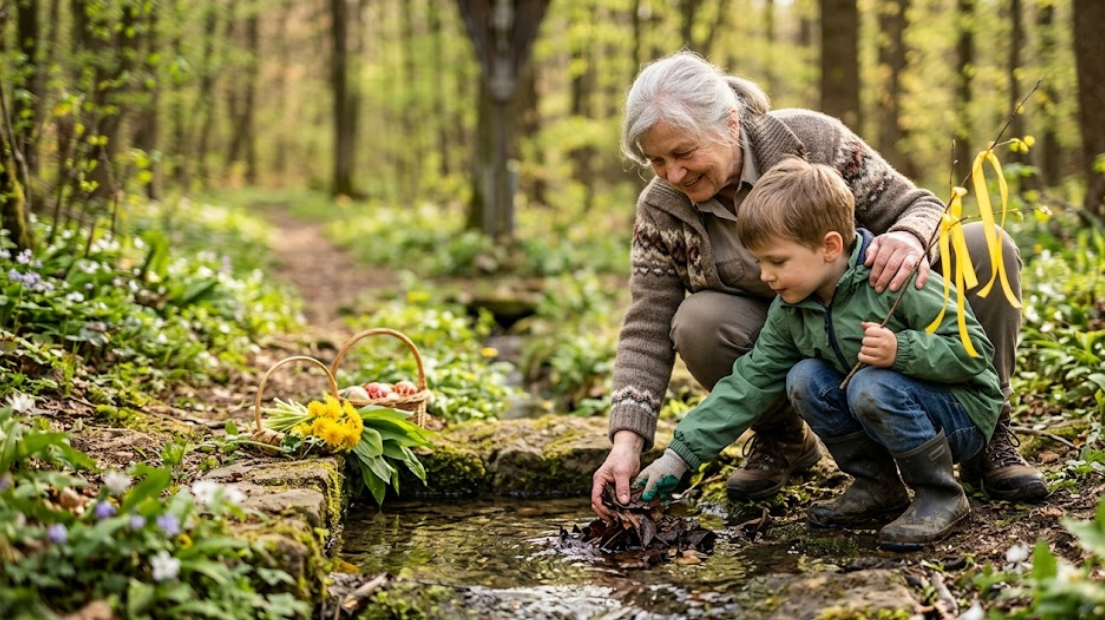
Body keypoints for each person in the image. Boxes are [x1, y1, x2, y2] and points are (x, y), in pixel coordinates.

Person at [590, 50, 1046, 521]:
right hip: (787, 335)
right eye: (656, 161)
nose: (673, 174)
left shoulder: (811, 140)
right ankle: (783, 438)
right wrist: (630, 443)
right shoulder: (661, 208)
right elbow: (647, 325)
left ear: (729, 124)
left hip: (873, 314)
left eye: (684, 153)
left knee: (981, 244)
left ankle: (986, 431)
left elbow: (919, 204)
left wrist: (909, 237)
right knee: (699, 321)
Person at [632, 157, 1002, 548]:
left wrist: (902, 350)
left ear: (829, 247)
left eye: (776, 261)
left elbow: (974, 351)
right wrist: (679, 455)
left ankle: (940, 495)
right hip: (887, 416)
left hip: (960, 419)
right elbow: (749, 382)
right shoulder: (792, 310)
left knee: (871, 385)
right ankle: (877, 486)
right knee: (803, 378)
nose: (764, 275)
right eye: (759, 261)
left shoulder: (894, 277)